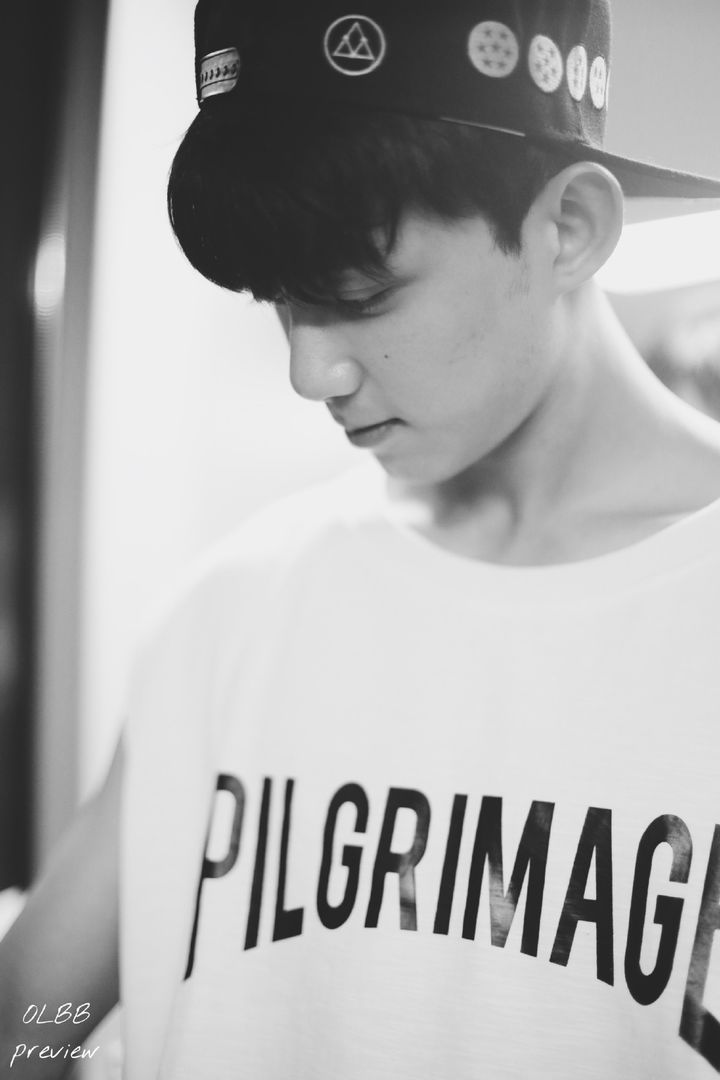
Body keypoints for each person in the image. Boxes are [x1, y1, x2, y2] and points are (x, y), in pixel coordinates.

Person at [4, 0, 720, 1076]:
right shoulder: (236, 610)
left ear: (568, 228)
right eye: (280, 302)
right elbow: (24, 1024)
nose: (310, 371)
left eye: (361, 295)